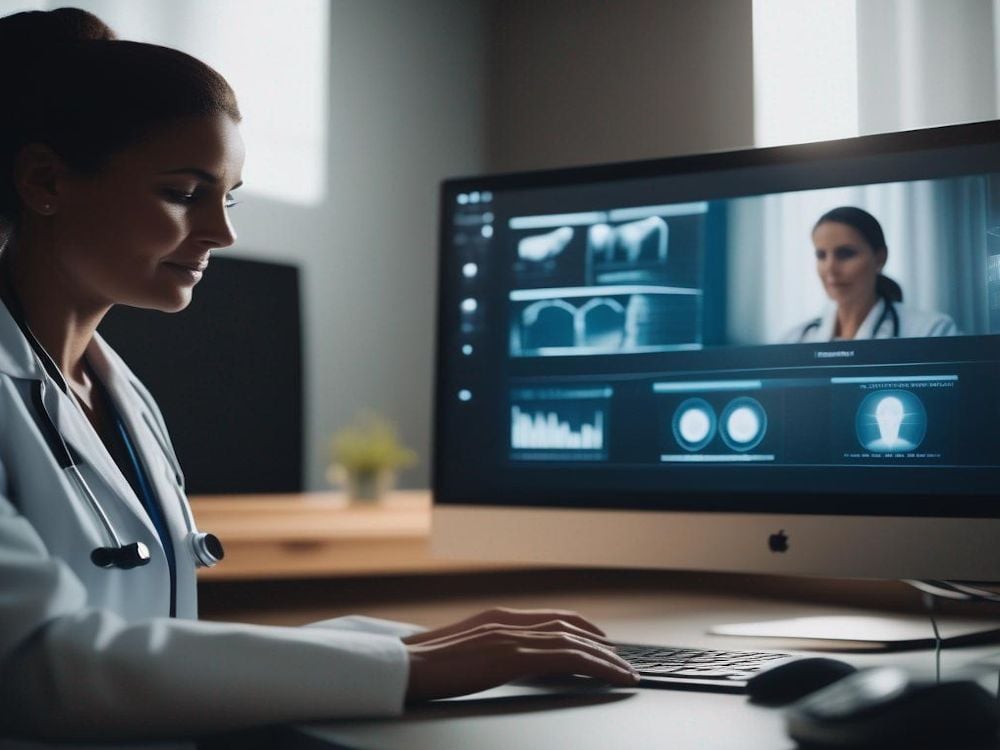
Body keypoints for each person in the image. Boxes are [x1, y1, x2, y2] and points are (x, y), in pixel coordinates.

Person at [0, 9, 638, 746]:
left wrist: (419, 646)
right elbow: (36, 662)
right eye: (183, 193)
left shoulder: (118, 393)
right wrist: (412, 668)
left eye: (228, 196)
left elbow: (152, 642)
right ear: (46, 181)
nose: (224, 232)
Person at [784, 206, 959, 342]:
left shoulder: (932, 331)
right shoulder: (795, 339)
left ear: (880, 258)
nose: (830, 268)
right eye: (821, 255)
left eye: (845, 253)